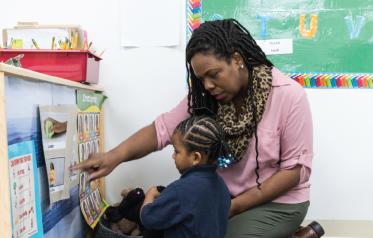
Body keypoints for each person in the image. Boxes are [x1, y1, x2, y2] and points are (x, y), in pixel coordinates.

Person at [74, 19, 319, 237]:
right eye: (201, 78)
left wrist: (233, 207)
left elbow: (293, 172)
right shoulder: (206, 97)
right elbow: (162, 130)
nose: (208, 85)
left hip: (277, 203)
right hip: (221, 196)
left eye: (214, 74)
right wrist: (113, 157)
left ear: (237, 60)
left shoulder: (288, 96)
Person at [140, 116, 231, 238]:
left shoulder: (179, 190)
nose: (173, 156)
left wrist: (150, 194)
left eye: (177, 151)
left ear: (195, 158)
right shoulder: (222, 186)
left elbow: (148, 219)